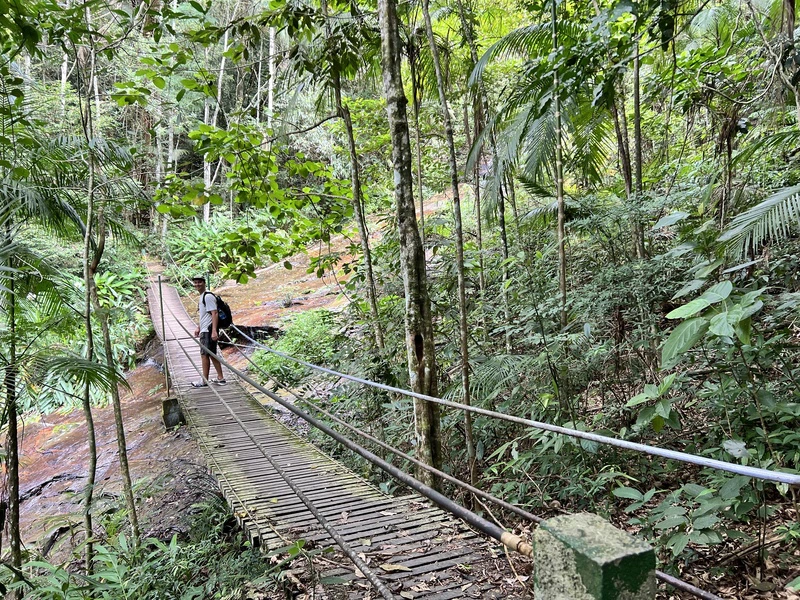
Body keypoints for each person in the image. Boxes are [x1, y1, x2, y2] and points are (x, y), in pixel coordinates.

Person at [191, 276, 227, 387]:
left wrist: (214, 331)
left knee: (204, 355)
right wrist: (198, 327)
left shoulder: (208, 297)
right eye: (195, 283)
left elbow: (214, 313)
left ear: (204, 283)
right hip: (205, 329)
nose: (197, 284)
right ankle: (220, 378)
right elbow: (204, 315)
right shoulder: (202, 296)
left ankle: (204, 381)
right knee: (211, 354)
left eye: (199, 282)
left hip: (208, 330)